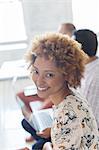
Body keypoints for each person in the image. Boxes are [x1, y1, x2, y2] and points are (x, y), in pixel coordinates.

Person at [21, 32, 99, 149]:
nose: (39, 81)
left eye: (49, 75)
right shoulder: (69, 98)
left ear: (68, 74)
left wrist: (47, 146)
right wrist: (53, 134)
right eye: (36, 71)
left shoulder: (68, 114)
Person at [73, 29, 99, 129]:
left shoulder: (94, 77)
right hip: (78, 122)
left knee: (39, 144)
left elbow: (92, 121)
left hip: (88, 130)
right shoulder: (86, 68)